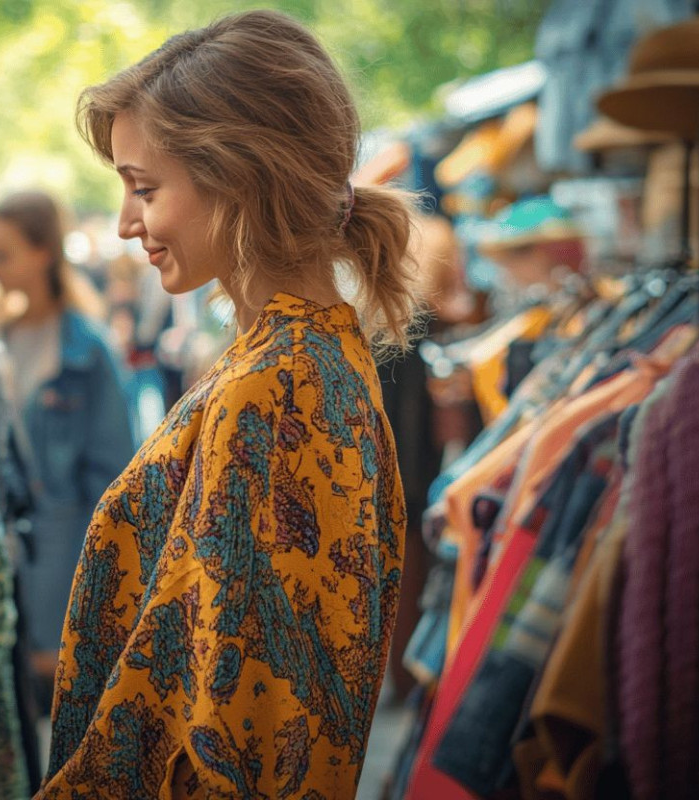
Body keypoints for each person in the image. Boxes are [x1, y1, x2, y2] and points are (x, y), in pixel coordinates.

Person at [40, 10, 419, 798]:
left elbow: (248, 736)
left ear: (240, 177)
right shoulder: (292, 355)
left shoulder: (279, 385)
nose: (123, 224)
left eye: (144, 188)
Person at [0, 191, 136, 704]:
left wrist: (95, 589)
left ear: (43, 252)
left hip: (62, 546)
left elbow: (114, 474)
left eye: (3, 254)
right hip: (1, 544)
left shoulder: (88, 350)